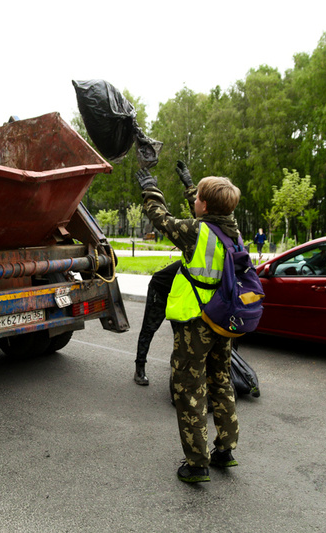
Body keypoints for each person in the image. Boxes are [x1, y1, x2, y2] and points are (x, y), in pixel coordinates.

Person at [136, 161, 241, 484]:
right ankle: (225, 449)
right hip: (223, 319)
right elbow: (208, 210)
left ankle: (196, 464)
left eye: (197, 197)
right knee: (221, 381)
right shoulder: (231, 230)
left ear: (204, 205)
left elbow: (161, 218)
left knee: (189, 389)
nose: (194, 200)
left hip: (196, 321)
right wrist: (191, 185)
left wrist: (150, 188)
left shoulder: (196, 232)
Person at [134, 163, 197, 386]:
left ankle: (179, 373)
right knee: (150, 328)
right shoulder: (221, 228)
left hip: (183, 293)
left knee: (181, 334)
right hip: (162, 288)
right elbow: (163, 220)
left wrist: (151, 189)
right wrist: (189, 186)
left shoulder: (208, 231)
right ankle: (139, 367)